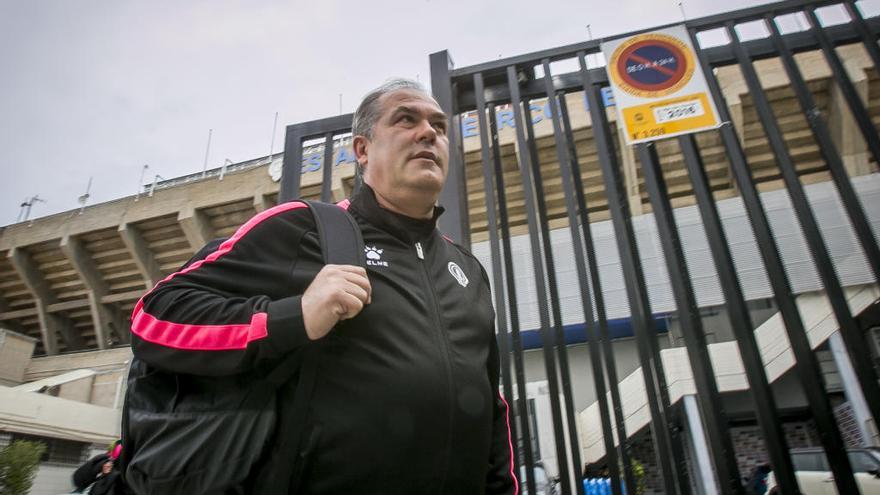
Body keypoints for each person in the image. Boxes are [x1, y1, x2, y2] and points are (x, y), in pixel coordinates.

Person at [128, 79, 518, 494]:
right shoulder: (304, 229)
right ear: (362, 150)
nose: (429, 133)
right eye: (406, 119)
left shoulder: (467, 270)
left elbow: (490, 407)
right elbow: (153, 316)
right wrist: (291, 317)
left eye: (439, 126)